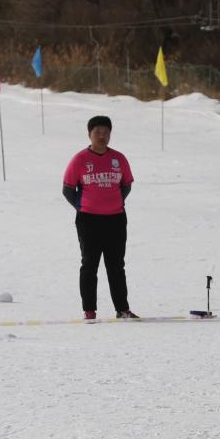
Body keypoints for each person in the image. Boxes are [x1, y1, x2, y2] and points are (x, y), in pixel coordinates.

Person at [62, 116, 139, 321]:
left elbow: (126, 185)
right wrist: (84, 206)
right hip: (88, 220)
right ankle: (89, 310)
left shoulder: (119, 159)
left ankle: (122, 309)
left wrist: (113, 202)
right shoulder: (80, 159)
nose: (102, 136)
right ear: (89, 134)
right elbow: (68, 189)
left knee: (116, 266)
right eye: (97, 132)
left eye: (106, 132)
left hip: (116, 219)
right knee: (89, 264)